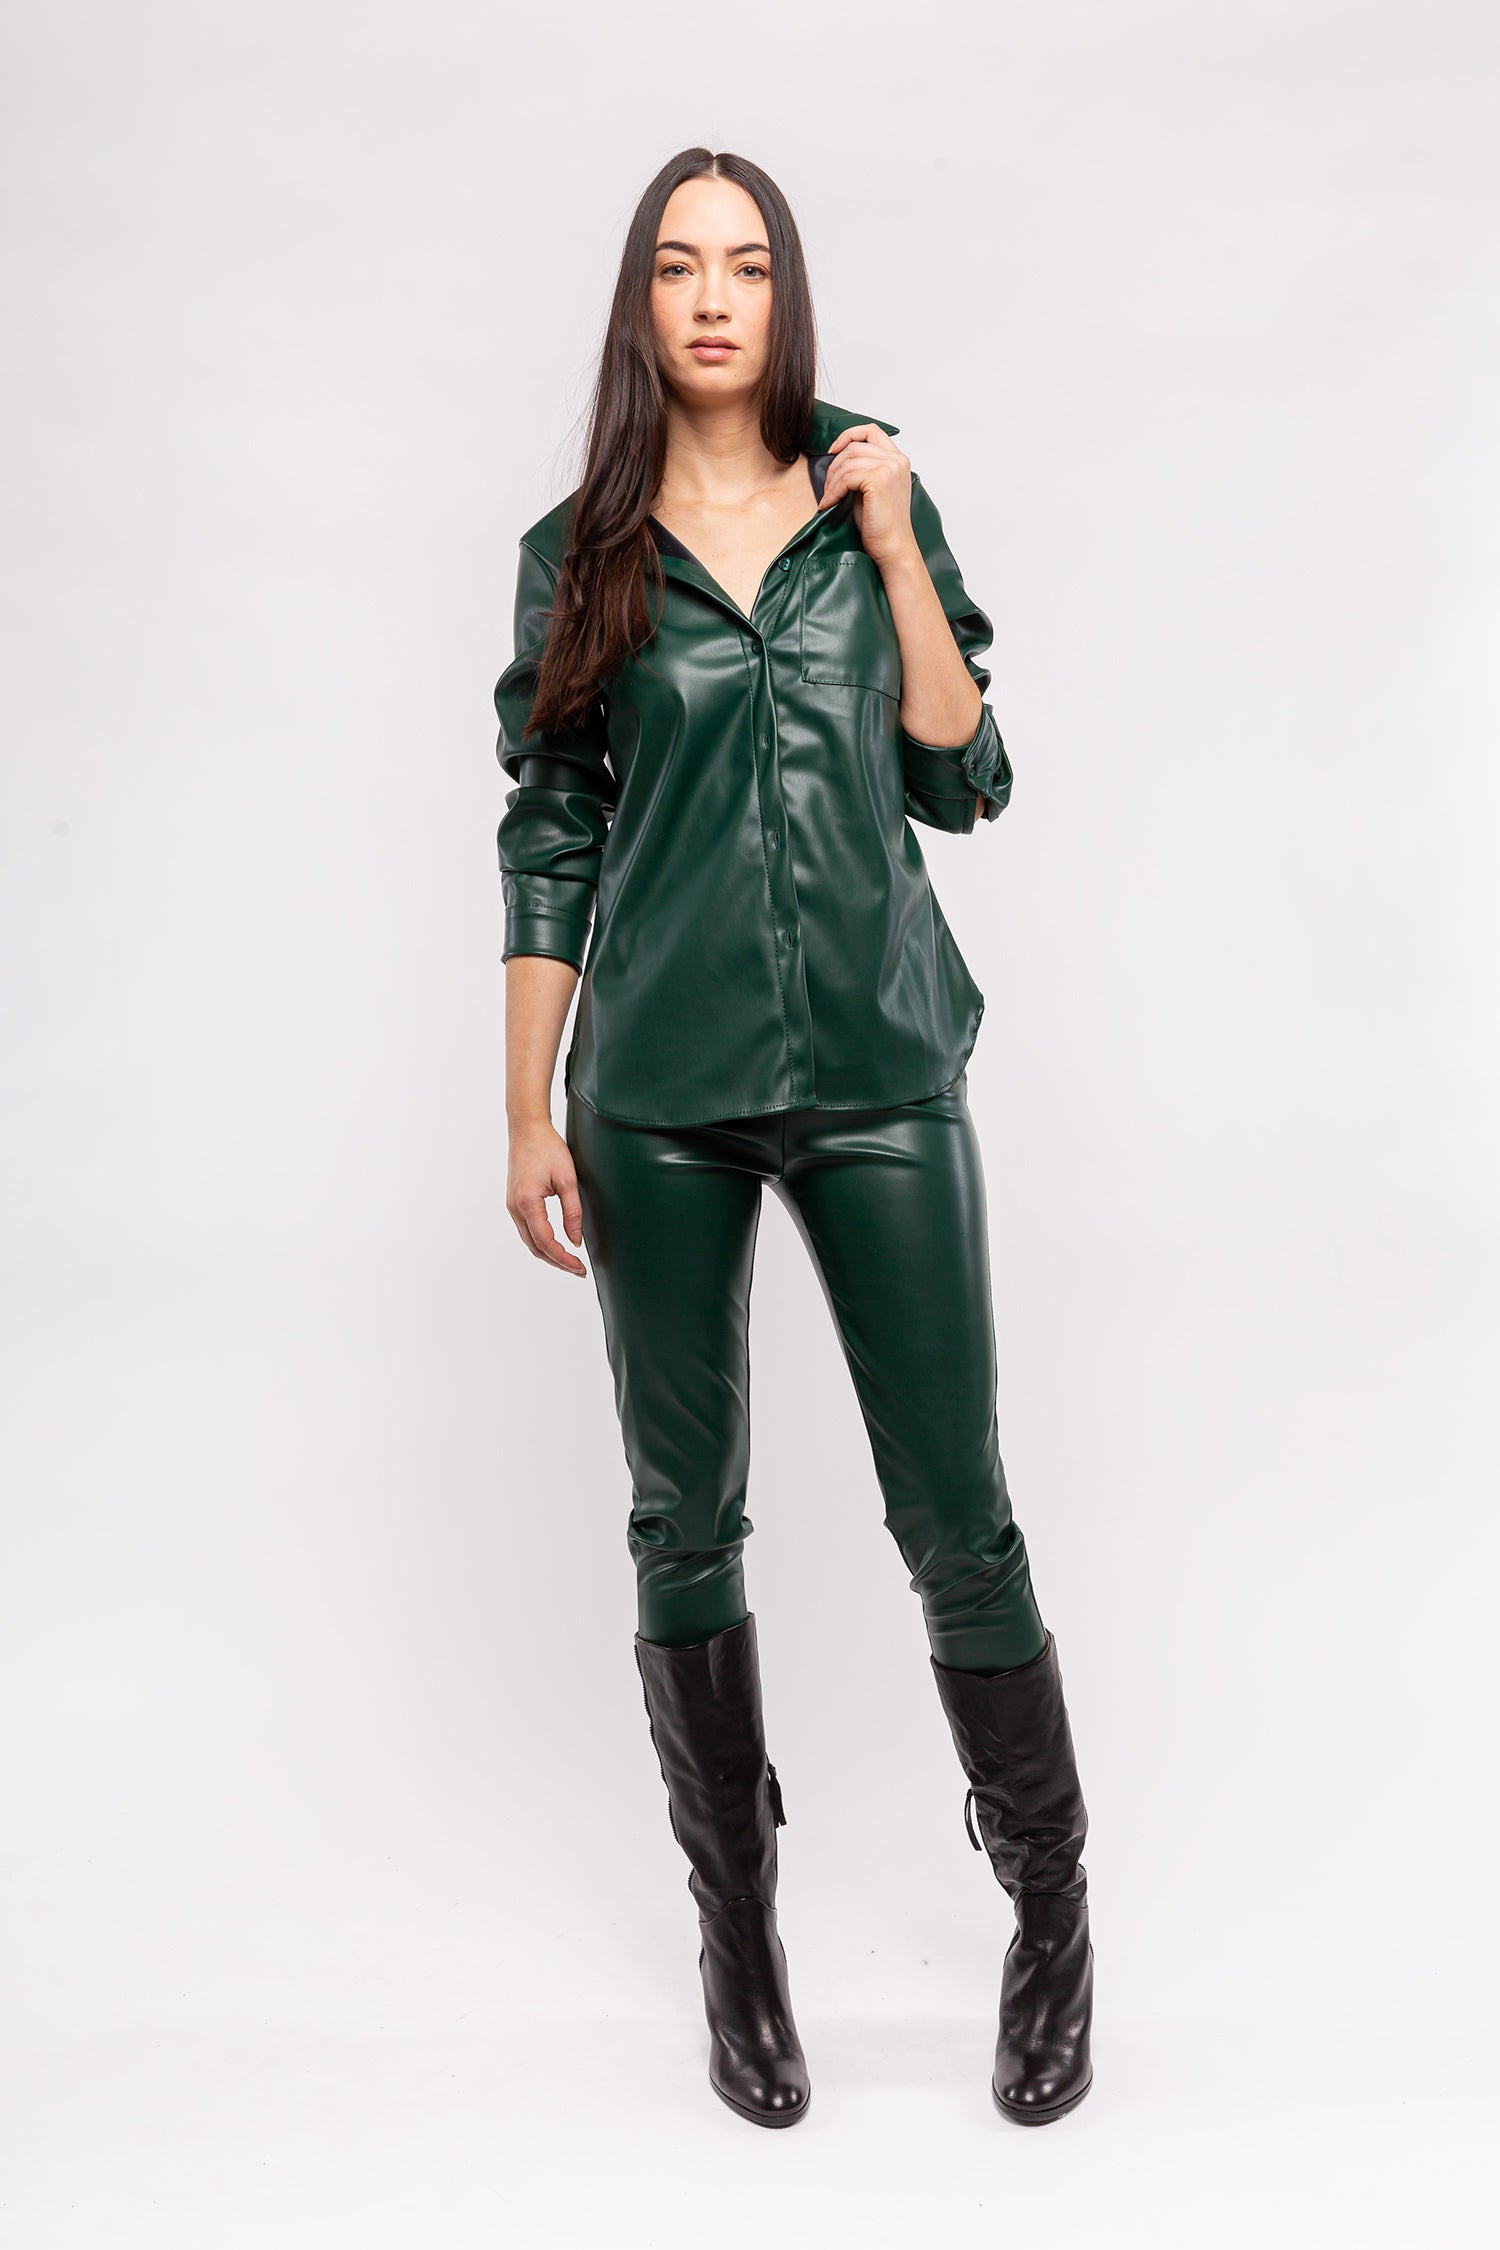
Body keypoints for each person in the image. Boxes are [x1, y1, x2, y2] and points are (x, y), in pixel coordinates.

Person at [494, 146, 1093, 2131]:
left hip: (878, 1068)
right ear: (641, 302)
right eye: (680, 266)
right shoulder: (580, 553)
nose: (714, 298)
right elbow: (552, 829)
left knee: (956, 1511)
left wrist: (900, 548)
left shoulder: (866, 501)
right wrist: (526, 1104)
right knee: (683, 1518)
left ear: (785, 294)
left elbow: (962, 776)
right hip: (655, 1095)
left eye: (745, 265)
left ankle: (1054, 1912)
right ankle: (735, 1936)